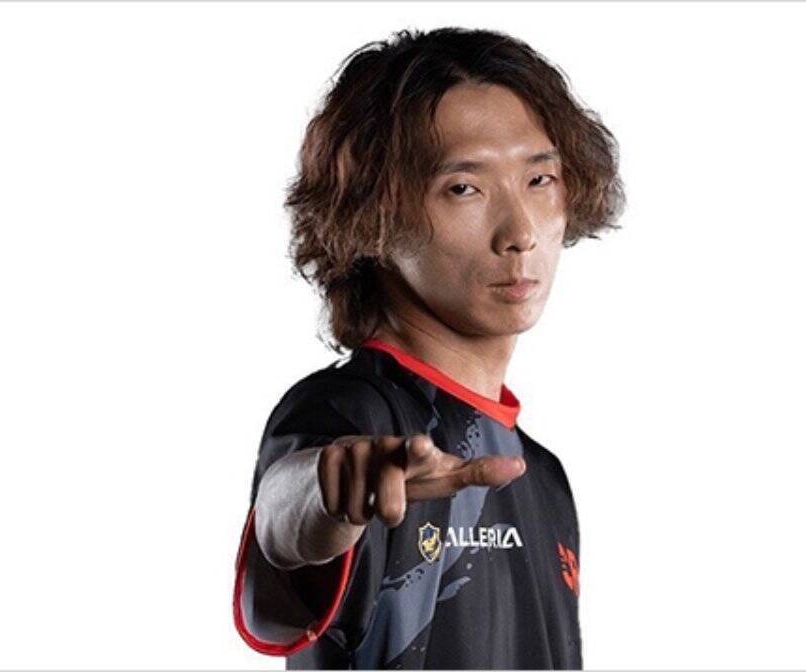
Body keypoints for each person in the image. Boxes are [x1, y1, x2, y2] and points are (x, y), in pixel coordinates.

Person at [232, 26, 624, 670]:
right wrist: (331, 491)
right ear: (372, 214)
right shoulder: (351, 416)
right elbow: (286, 512)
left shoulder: (542, 475)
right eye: (464, 188)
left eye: (540, 179)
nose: (520, 232)